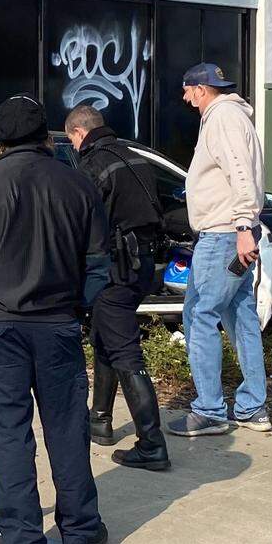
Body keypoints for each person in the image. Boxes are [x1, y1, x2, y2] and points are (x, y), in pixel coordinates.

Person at [0, 95, 110, 544]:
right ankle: (80, 530)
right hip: (57, 325)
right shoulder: (78, 186)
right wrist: (76, 308)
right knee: (67, 431)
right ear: (45, 137)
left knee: (8, 437)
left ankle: (22, 536)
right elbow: (98, 265)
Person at [167, 63, 271, 437]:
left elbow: (240, 173)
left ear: (201, 89)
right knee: (240, 316)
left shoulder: (223, 117)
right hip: (234, 232)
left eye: (187, 90)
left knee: (198, 315)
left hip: (223, 233)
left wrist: (243, 225)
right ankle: (252, 407)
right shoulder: (230, 115)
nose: (184, 98)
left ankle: (210, 410)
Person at [65, 105, 170, 471]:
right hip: (141, 266)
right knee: (105, 337)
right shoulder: (133, 158)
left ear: (79, 134)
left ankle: (152, 444)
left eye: (72, 140)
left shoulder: (93, 166)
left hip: (115, 269)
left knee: (125, 352)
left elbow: (81, 223)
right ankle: (101, 420)